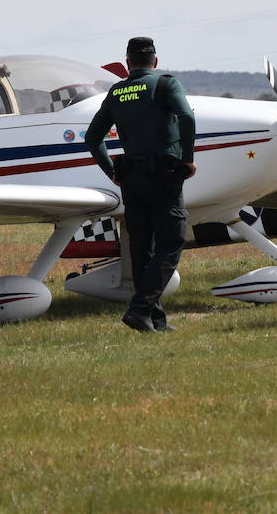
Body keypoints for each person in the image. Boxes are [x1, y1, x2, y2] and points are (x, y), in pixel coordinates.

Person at [87, 37, 196, 333]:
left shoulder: (117, 91)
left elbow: (92, 138)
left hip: (131, 178)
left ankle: (154, 319)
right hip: (163, 175)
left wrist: (112, 172)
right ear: (155, 62)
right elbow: (186, 116)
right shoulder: (165, 85)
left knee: (141, 248)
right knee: (171, 242)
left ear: (127, 64)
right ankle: (139, 308)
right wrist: (187, 158)